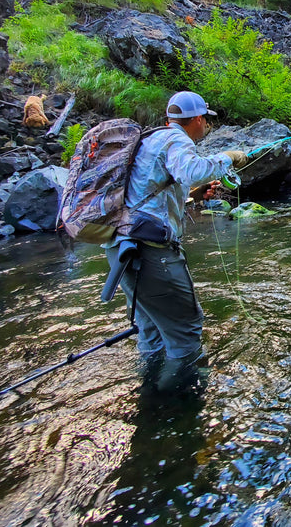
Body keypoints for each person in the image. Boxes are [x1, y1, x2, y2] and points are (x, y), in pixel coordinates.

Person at [105, 90, 248, 392]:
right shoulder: (176, 139)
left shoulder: (150, 138)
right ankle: (173, 405)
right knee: (185, 333)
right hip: (151, 254)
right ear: (197, 119)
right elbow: (192, 169)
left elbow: (146, 195)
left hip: (122, 249)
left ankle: (150, 400)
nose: (206, 125)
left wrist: (193, 195)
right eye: (205, 120)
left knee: (152, 333)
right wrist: (230, 157)